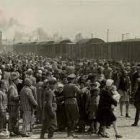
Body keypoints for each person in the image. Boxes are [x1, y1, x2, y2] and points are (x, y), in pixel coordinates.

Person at [63, 74, 80, 138]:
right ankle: (72, 132)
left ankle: (68, 133)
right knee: (75, 118)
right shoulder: (73, 86)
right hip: (73, 102)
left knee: (69, 118)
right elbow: (80, 92)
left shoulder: (65, 86)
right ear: (72, 79)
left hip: (66, 102)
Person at [8, 72, 21, 136]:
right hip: (12, 105)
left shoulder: (14, 86)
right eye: (17, 79)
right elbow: (12, 97)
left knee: (15, 118)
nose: (18, 80)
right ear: (14, 80)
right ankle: (11, 130)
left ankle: (15, 130)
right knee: (12, 118)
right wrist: (19, 97)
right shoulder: (12, 87)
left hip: (15, 105)